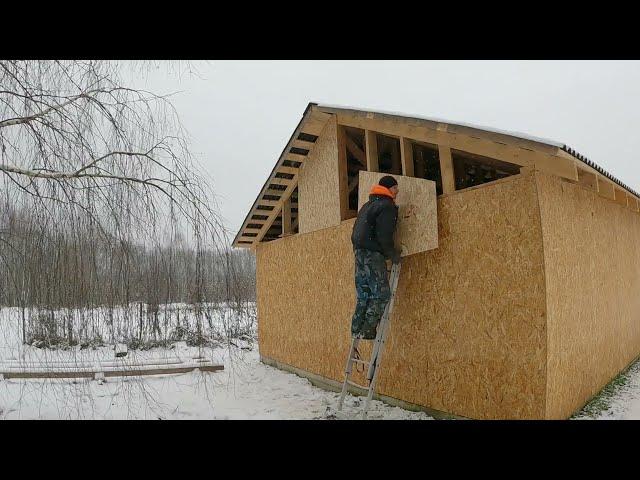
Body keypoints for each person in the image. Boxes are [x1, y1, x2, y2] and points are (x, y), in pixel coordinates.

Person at [350, 175, 401, 339]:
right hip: (372, 253)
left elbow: (358, 231)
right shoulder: (387, 206)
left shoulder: (367, 205)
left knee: (364, 294)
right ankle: (367, 330)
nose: (397, 191)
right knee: (381, 295)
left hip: (359, 252)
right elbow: (384, 234)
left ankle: (356, 328)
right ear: (388, 188)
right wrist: (392, 254)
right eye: (395, 188)